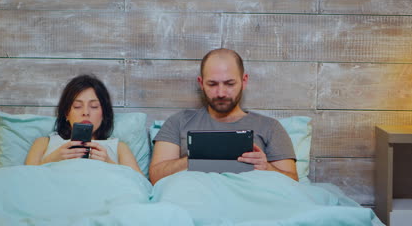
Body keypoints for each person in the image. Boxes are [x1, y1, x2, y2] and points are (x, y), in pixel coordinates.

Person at [149, 48, 298, 184]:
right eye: (212, 84)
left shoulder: (270, 127)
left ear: (244, 81)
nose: (221, 93)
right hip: (196, 196)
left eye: (230, 84)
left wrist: (267, 168)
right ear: (201, 83)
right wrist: (194, 159)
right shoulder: (178, 122)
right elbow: (155, 177)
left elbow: (293, 182)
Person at [25, 74, 142, 174]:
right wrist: (51, 160)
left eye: (94, 106)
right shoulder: (44, 143)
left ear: (104, 113)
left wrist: (109, 163)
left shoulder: (118, 147)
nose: (86, 113)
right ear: (66, 113)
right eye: (77, 106)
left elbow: (140, 184)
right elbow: (24, 180)